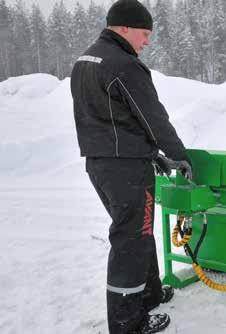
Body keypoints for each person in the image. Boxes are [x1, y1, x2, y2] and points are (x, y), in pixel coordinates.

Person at [70, 0, 191, 333]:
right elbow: (153, 118)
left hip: (101, 164)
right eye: (144, 33)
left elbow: (114, 120)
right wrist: (181, 155)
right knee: (130, 241)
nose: (147, 41)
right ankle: (128, 322)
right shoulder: (123, 64)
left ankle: (149, 295)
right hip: (127, 171)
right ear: (123, 27)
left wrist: (154, 155)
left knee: (138, 232)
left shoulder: (85, 60)